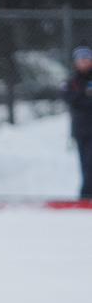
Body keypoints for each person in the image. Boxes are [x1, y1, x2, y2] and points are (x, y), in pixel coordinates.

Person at [62, 44, 92, 199]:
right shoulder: (72, 81)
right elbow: (71, 98)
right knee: (86, 165)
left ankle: (86, 195)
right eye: (81, 59)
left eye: (87, 59)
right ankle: (86, 196)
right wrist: (85, 95)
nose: (84, 62)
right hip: (81, 130)